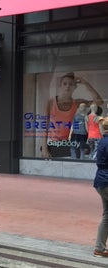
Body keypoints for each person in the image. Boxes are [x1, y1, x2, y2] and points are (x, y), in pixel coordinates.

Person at [41, 72, 102, 158]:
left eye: (71, 84)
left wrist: (85, 83)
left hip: (69, 141)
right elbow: (44, 126)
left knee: (88, 148)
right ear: (60, 86)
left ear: (75, 87)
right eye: (65, 84)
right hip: (54, 143)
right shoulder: (51, 103)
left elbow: (99, 102)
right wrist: (44, 149)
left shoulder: (76, 103)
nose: (67, 86)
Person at [93, 119, 108, 258]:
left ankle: (99, 248)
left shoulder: (102, 141)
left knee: (107, 216)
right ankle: (99, 248)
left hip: (101, 182)